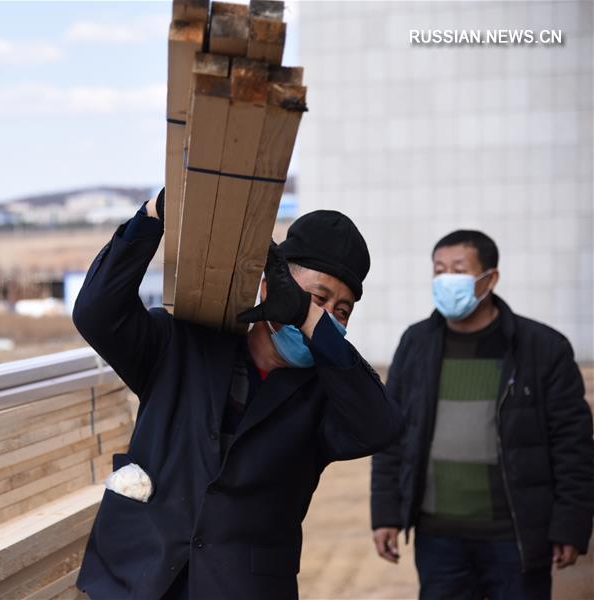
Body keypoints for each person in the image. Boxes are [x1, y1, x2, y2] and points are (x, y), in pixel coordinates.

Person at [72, 189, 402, 599]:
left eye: (341, 311)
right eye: (317, 298)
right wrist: (154, 214)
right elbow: (97, 312)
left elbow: (383, 427)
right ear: (271, 287)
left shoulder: (325, 402)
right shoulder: (182, 347)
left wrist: (307, 314)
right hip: (137, 580)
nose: (327, 317)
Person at [370, 230, 593, 600]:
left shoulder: (542, 348)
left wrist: (570, 525)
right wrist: (386, 513)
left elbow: (572, 444)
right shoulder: (416, 343)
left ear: (489, 278)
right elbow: (391, 434)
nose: (446, 280)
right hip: (437, 537)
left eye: (458, 269)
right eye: (439, 270)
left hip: (514, 536)